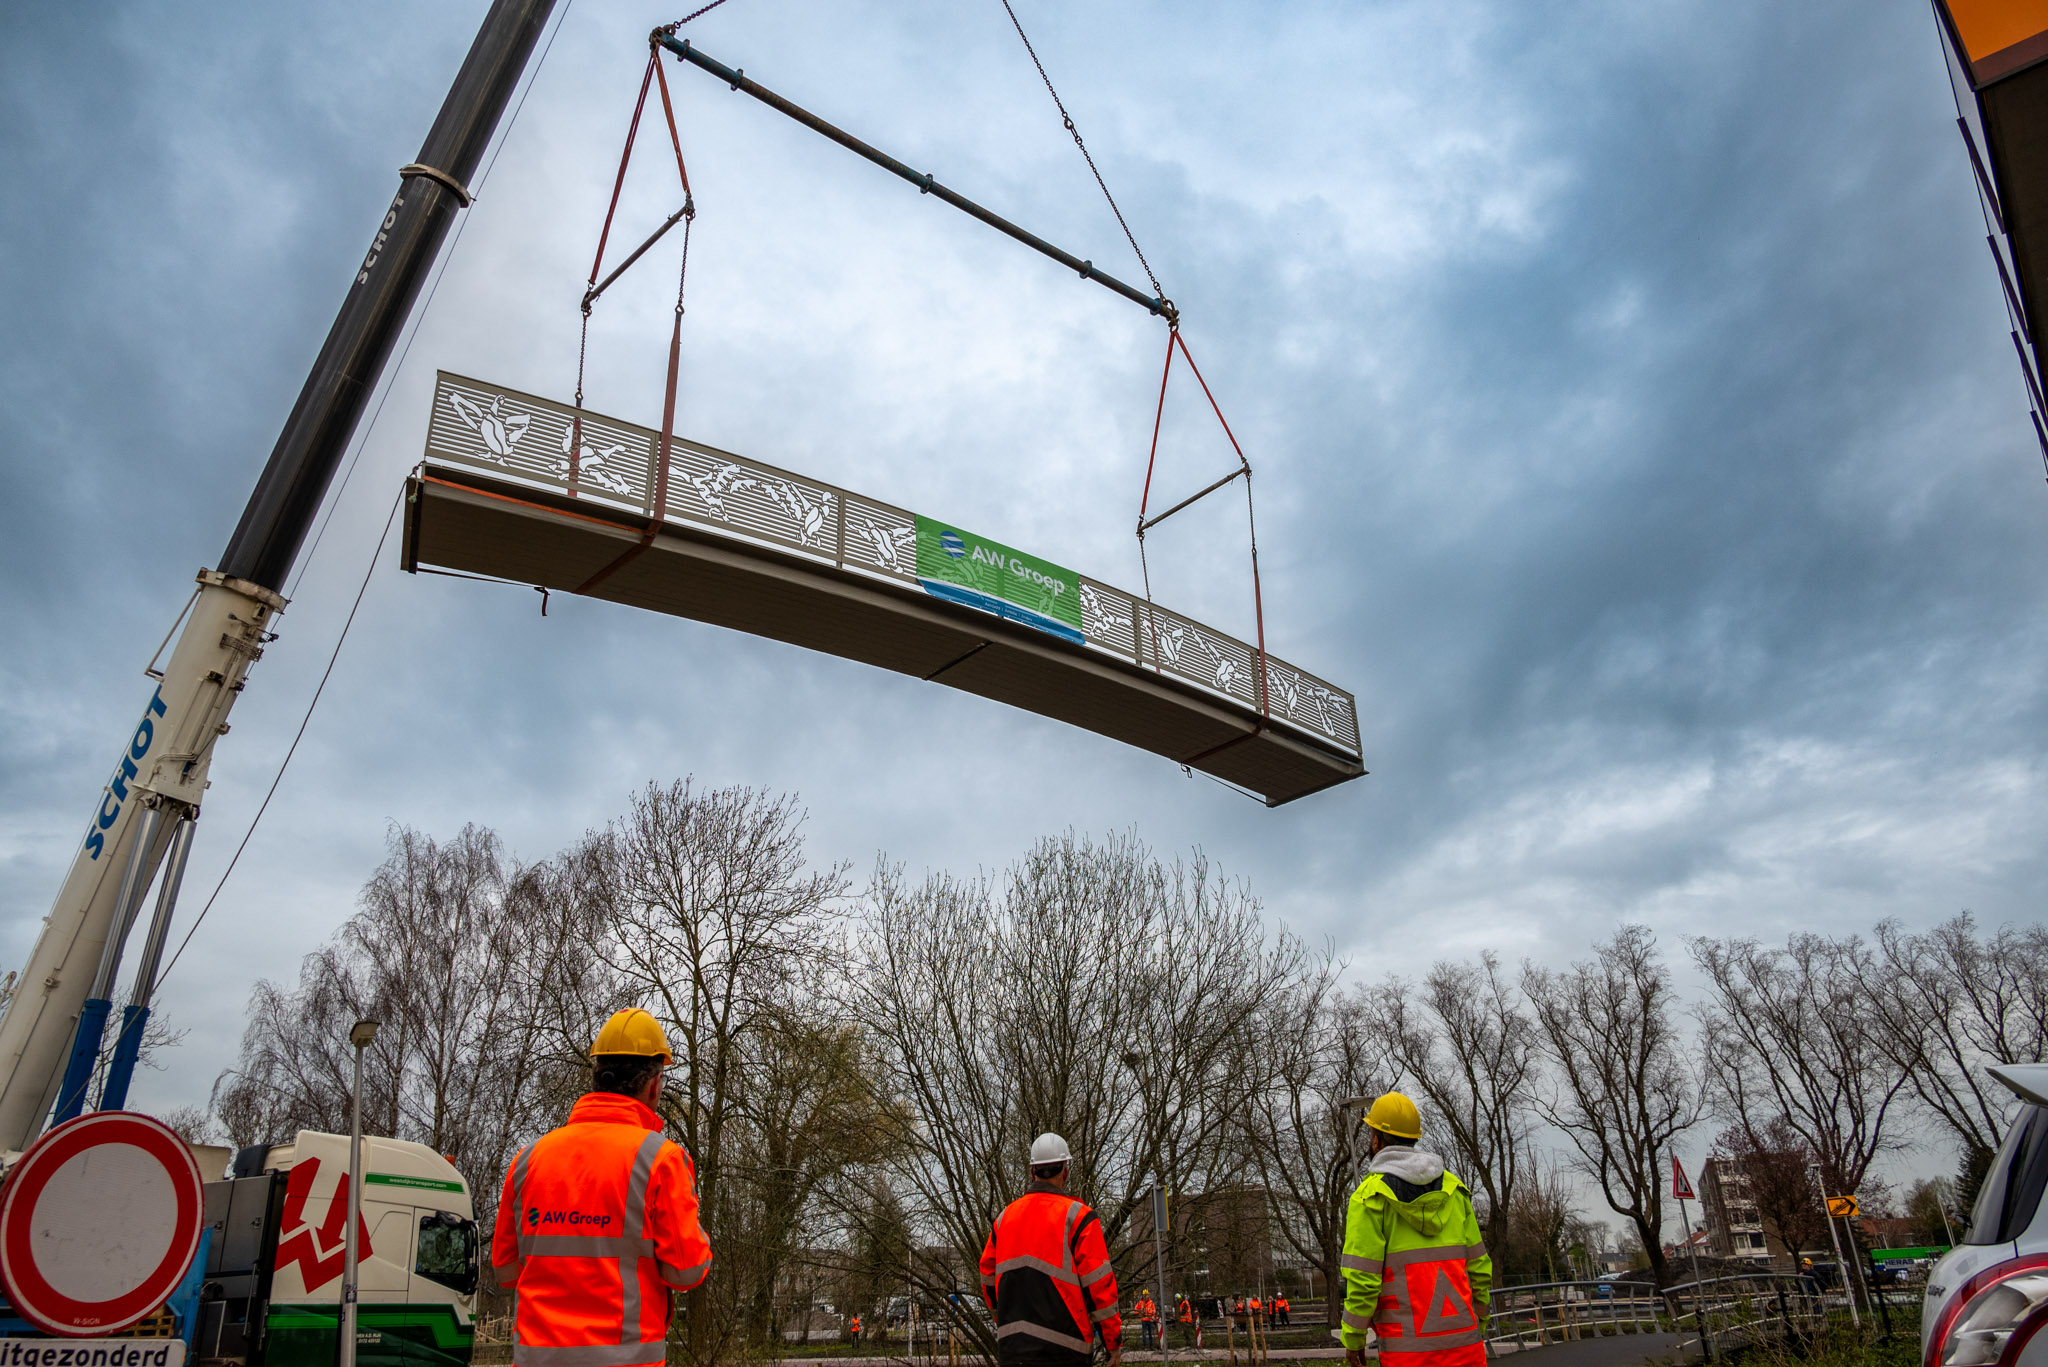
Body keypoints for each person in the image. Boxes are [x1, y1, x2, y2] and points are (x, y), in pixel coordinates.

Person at [492, 1008, 712, 1367]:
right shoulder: (661, 1160)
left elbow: (505, 1271)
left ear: (598, 1078)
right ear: (654, 1084)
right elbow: (685, 1271)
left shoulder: (528, 1160)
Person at [1339, 1092, 1493, 1367]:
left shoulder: (1370, 1198)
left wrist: (1353, 1339)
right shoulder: (1454, 1191)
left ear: (1376, 1140)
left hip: (1407, 1356)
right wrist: (1480, 1320)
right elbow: (1479, 1268)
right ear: (1414, 1138)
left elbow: (1363, 1281)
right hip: (1467, 1351)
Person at [979, 1133, 1123, 1367]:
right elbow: (1101, 1288)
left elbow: (987, 1277)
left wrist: (1006, 1324)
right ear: (1065, 1172)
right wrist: (1112, 1345)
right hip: (1067, 1350)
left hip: (1013, 1351)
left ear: (1031, 1171)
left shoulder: (1004, 1220)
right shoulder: (1079, 1218)